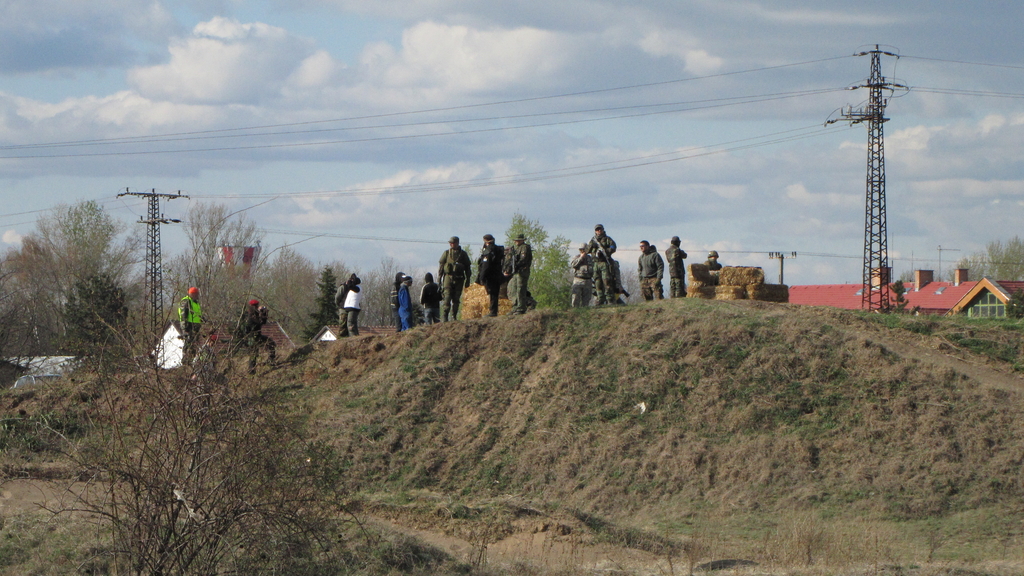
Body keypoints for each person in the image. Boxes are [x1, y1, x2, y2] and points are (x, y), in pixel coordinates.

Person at [438, 236, 472, 321]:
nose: (451, 244)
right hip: (448, 278)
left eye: (453, 243)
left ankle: (454, 316)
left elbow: (468, 268)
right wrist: (439, 280)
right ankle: (445, 316)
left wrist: (468, 280)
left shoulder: (463, 254)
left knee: (456, 299)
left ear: (457, 243)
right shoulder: (446, 253)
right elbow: (441, 267)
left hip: (459, 279)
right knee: (447, 297)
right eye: (450, 243)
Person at [240, 299, 276, 373]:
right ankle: (251, 371)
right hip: (252, 337)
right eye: (256, 306)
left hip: (257, 336)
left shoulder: (253, 314)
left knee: (270, 343)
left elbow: (263, 322)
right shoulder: (250, 315)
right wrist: (262, 313)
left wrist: (264, 313)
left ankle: (270, 360)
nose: (257, 307)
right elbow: (259, 323)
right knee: (254, 353)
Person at [587, 224, 618, 305]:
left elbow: (613, 247)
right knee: (597, 282)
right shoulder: (592, 240)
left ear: (603, 230)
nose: (599, 231)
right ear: (595, 231)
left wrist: (605, 251)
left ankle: (609, 299)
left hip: (604, 262)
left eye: (600, 229)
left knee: (607, 281)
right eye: (597, 230)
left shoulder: (608, 239)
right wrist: (591, 246)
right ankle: (600, 299)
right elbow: (587, 250)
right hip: (595, 263)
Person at [476, 233, 505, 317]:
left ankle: (493, 312)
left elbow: (486, 265)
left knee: (492, 293)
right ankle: (494, 311)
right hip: (497, 274)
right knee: (495, 293)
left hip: (490, 275)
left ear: (486, 241)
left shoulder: (488, 250)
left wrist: (481, 277)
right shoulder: (498, 249)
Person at [503, 233, 533, 315]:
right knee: (513, 289)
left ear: (522, 240)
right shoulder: (517, 248)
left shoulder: (524, 247)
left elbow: (523, 259)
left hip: (522, 271)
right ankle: (515, 306)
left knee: (520, 289)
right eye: (516, 240)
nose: (516, 241)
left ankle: (521, 307)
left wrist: (516, 265)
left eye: (518, 240)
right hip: (516, 272)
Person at [178, 286, 202, 363]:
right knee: (188, 342)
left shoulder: (195, 303)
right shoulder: (186, 301)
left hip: (196, 326)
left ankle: (192, 360)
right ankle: (186, 360)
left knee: (194, 344)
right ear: (192, 294)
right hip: (189, 326)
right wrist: (185, 328)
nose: (198, 296)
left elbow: (197, 314)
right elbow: (183, 315)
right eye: (196, 294)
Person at [570, 243, 594, 308]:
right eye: (581, 250)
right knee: (575, 298)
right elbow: (573, 264)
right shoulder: (576, 257)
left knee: (586, 299)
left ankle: (585, 311)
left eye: (584, 249)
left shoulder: (590, 259)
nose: (582, 251)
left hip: (588, 280)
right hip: (578, 280)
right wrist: (581, 258)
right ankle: (575, 310)